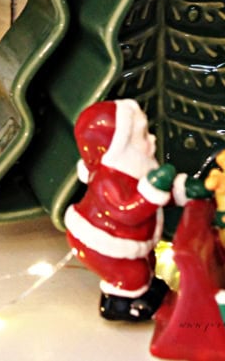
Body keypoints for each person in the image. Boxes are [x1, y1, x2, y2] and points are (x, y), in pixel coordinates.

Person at [64, 98, 207, 322]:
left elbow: (153, 198)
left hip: (133, 243)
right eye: (142, 136)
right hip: (101, 244)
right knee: (131, 274)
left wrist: (181, 191)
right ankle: (118, 304)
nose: (152, 138)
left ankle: (146, 289)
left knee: (148, 264)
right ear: (118, 147)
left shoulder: (137, 168)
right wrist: (155, 189)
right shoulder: (107, 180)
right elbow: (128, 212)